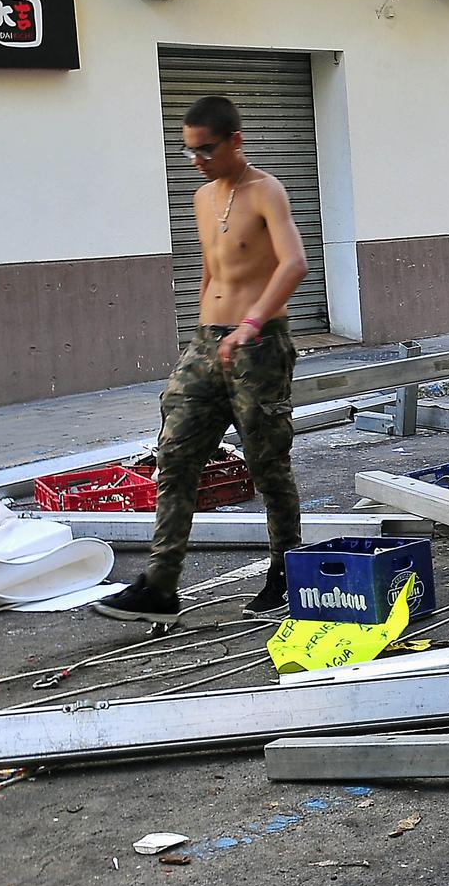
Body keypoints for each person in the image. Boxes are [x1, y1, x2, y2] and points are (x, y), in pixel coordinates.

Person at [95, 95, 308, 622]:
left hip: (259, 345)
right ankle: (160, 584)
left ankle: (286, 573)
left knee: (267, 465)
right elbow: (213, 271)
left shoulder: (265, 192)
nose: (197, 159)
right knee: (175, 453)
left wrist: (251, 324)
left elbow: (295, 263)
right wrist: (203, 334)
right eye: (189, 150)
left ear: (235, 141)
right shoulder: (200, 198)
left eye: (206, 149)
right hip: (208, 343)